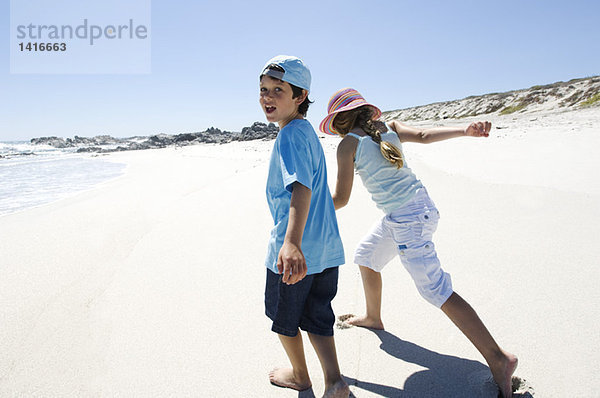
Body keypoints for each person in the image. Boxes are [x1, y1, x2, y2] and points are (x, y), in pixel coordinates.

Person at [320, 88, 518, 398]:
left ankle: (498, 358)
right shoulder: (391, 127)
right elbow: (425, 134)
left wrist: (304, 209)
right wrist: (465, 129)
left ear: (339, 121)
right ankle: (374, 317)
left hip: (408, 221)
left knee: (435, 289)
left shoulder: (348, 145)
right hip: (417, 208)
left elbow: (340, 199)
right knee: (367, 255)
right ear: (366, 111)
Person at [259, 56, 350, 398]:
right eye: (264, 90)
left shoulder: (290, 137)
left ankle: (300, 375)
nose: (268, 97)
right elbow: (318, 191)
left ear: (300, 96)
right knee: (318, 317)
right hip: (326, 249)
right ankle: (335, 381)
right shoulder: (306, 132)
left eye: (278, 90)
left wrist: (291, 243)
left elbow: (301, 187)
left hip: (296, 252)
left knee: (283, 318)